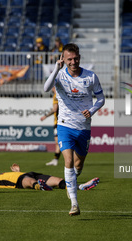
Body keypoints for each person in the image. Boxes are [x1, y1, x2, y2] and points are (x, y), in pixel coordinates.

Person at [43, 43, 105, 216]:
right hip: (64, 125)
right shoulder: (59, 75)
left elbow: (101, 99)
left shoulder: (91, 76)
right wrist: (56, 68)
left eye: (75, 58)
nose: (73, 62)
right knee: (68, 162)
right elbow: (46, 88)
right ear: (63, 59)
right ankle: (74, 203)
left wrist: (91, 110)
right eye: (69, 59)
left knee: (78, 165)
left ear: (79, 57)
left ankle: (72, 182)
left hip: (83, 127)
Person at [0, 163, 100, 191]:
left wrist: (17, 170)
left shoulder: (3, 174)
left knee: (59, 181)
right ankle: (40, 186)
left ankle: (80, 186)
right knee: (31, 183)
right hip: (20, 181)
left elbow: (17, 173)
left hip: (28, 173)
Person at [40, 87, 61, 166]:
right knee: (59, 142)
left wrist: (45, 116)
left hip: (58, 122)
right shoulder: (62, 94)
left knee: (58, 141)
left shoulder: (56, 96)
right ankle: (56, 159)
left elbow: (55, 109)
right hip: (64, 121)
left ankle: (57, 159)